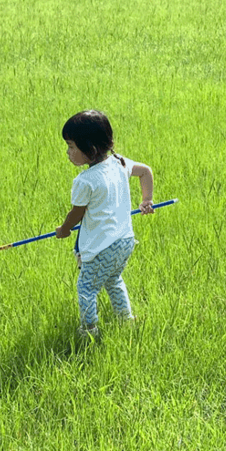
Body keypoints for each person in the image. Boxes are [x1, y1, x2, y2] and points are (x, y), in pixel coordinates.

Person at [55, 110, 154, 338]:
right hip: (125, 242)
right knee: (113, 278)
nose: (68, 152)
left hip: (101, 248)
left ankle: (89, 332)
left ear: (89, 148)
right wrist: (146, 199)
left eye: (71, 147)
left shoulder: (85, 181)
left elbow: (76, 214)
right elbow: (145, 172)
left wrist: (64, 230)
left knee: (86, 288)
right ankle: (125, 319)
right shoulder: (120, 163)